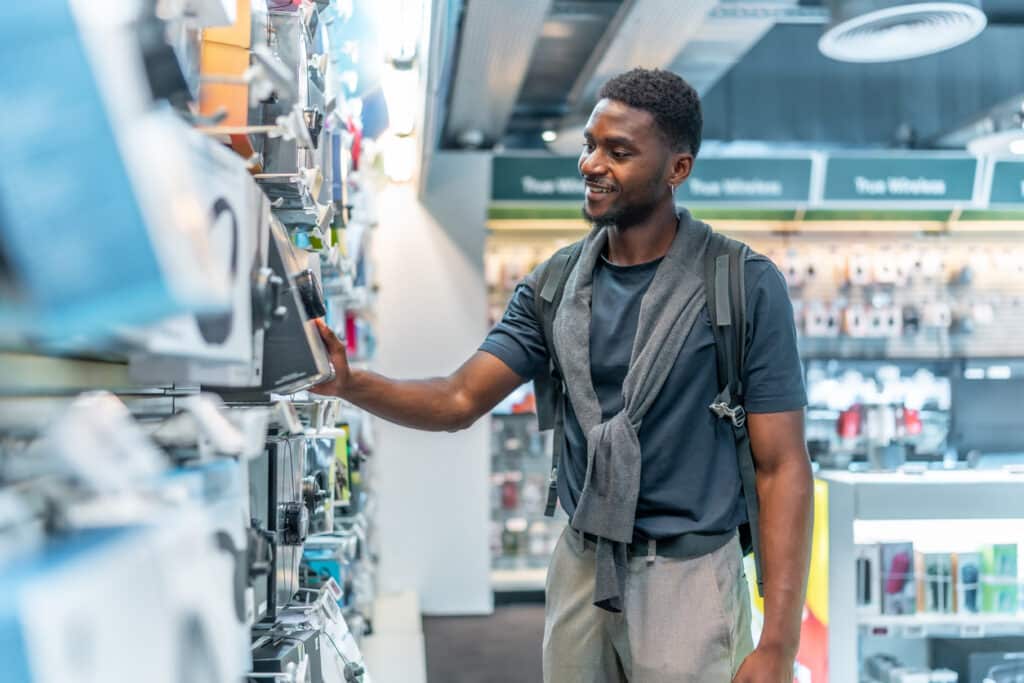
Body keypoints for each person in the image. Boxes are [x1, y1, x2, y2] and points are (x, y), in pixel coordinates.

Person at [312, 67, 813, 683]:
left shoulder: (741, 284)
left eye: (619, 151)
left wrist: (779, 644)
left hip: (688, 576)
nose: (591, 164)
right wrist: (350, 383)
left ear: (676, 169)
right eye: (589, 144)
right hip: (582, 563)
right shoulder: (553, 286)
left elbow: (783, 466)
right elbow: (459, 397)